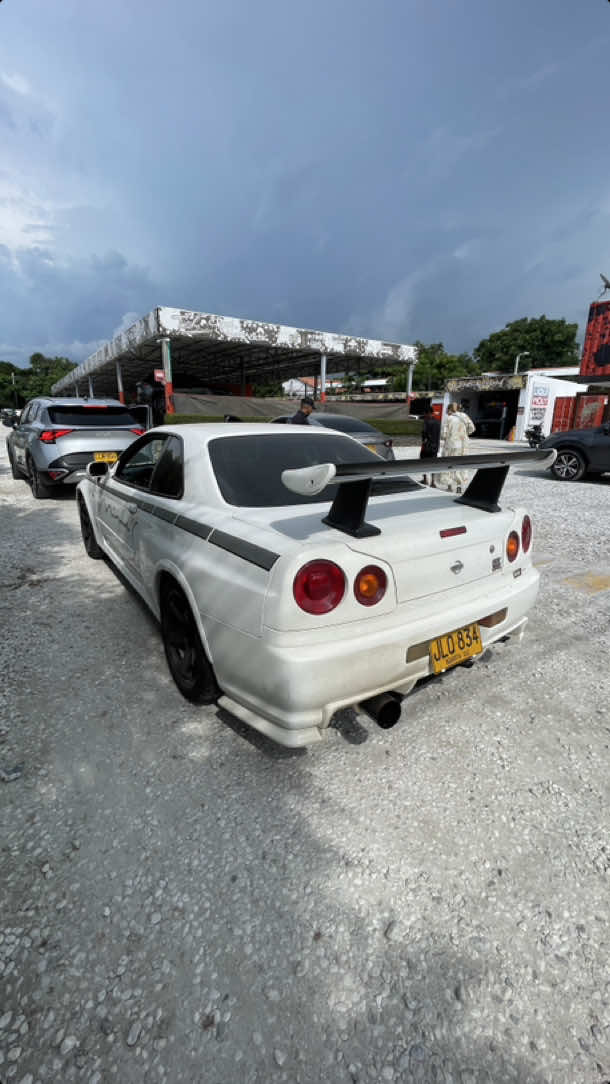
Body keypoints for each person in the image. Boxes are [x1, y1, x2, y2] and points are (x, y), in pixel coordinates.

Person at [439, 403, 471, 493]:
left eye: (447, 410)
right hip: (463, 446)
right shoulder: (465, 416)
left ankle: (449, 487)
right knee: (460, 466)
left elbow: (443, 435)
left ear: (450, 409)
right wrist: (463, 434)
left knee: (449, 465)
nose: (446, 412)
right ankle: (459, 487)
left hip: (451, 446)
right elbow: (472, 428)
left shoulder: (449, 419)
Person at [419, 409, 441, 487]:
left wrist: (423, 441)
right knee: (433, 464)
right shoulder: (438, 422)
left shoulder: (426, 421)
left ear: (428, 413)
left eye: (425, 414)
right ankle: (433, 482)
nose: (424, 415)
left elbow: (424, 433)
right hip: (435, 446)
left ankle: (425, 480)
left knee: (423, 463)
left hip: (427, 446)